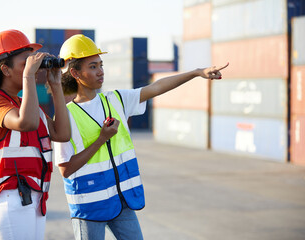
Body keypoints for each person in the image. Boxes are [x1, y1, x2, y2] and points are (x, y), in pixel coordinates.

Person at [54, 34, 228, 240]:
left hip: (122, 202)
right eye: (92, 66)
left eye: (101, 65)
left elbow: (156, 87)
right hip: (90, 207)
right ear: (74, 72)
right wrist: (101, 139)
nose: (100, 71)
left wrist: (197, 73)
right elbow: (66, 169)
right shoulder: (66, 116)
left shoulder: (116, 99)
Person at [0, 29, 71, 240]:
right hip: (6, 197)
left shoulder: (25, 104)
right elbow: (26, 123)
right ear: (5, 70)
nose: (33, 68)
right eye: (25, 62)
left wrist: (56, 85)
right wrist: (29, 76)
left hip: (33, 198)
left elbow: (62, 134)